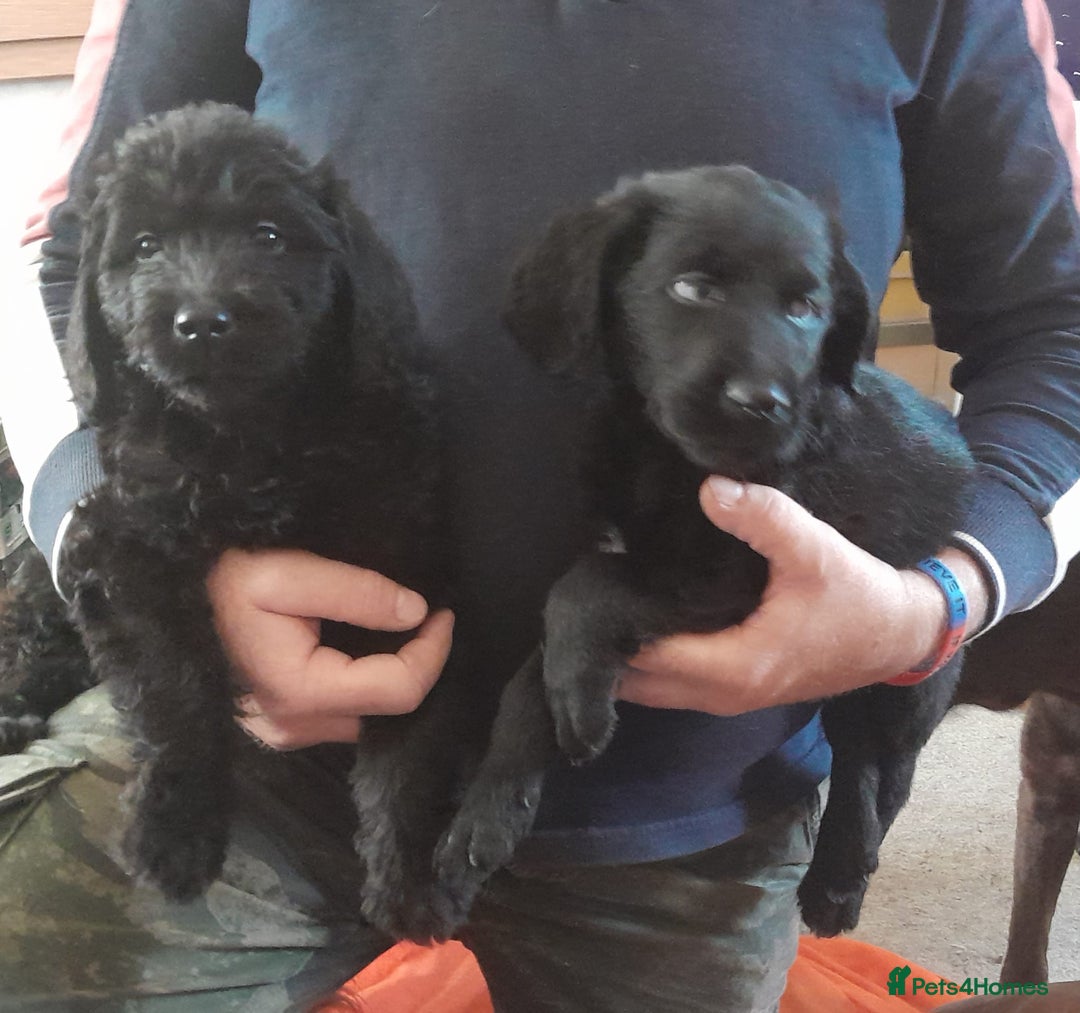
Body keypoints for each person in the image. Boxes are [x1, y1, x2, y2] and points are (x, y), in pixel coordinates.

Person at [2, 1, 1080, 1010]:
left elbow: (1056, 322)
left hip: (687, 811)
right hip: (255, 744)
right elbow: (58, 263)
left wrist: (943, 591)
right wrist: (114, 536)